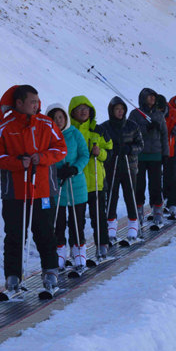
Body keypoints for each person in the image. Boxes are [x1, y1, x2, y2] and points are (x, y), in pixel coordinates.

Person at [0, 85, 67, 295]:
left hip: (43, 190)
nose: (36, 105)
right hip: (15, 192)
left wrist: (42, 158)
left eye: (37, 101)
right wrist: (16, 163)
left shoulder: (46, 124)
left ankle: (50, 271)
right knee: (14, 234)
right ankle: (13, 277)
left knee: (45, 233)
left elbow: (60, 148)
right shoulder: (4, 127)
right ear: (19, 103)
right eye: (32, 101)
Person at [46, 103, 89, 270]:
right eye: (54, 118)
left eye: (60, 117)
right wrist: (56, 170)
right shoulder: (47, 136)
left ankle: (78, 249)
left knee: (77, 221)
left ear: (66, 118)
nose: (58, 121)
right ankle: (59, 252)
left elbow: (84, 154)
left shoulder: (74, 134)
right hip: (58, 185)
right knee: (59, 222)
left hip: (76, 185)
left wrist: (75, 168)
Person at [69, 95, 112, 260]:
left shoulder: (97, 130)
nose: (83, 112)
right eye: (80, 109)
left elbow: (109, 151)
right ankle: (76, 248)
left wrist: (99, 153)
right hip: (76, 182)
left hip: (96, 181)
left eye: (86, 109)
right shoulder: (69, 131)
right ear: (72, 112)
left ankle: (102, 245)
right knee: (76, 219)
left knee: (99, 216)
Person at [101, 96, 143, 243]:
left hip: (129, 166)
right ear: (111, 111)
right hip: (112, 167)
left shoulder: (132, 125)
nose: (120, 112)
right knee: (112, 197)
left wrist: (130, 148)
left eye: (122, 109)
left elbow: (140, 144)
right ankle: (111, 228)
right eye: (117, 109)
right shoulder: (105, 127)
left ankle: (133, 226)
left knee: (130, 196)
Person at [129, 87, 169, 226]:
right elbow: (131, 133)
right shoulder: (135, 114)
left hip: (156, 155)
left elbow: (164, 135)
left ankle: (157, 209)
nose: (152, 99)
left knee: (156, 185)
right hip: (140, 156)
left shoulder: (159, 114)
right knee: (139, 185)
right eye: (149, 96)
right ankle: (138, 210)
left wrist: (165, 154)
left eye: (154, 96)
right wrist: (146, 129)